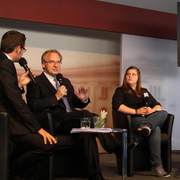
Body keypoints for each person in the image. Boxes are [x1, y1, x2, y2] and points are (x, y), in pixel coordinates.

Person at [26, 49, 137, 180]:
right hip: (55, 121)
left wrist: (83, 99)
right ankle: (115, 146)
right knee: (87, 115)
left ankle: (95, 174)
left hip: (72, 119)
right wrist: (55, 97)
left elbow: (74, 103)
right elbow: (33, 105)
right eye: (52, 62)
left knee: (88, 132)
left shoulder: (64, 81)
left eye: (58, 62)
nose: (56, 65)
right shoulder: (36, 82)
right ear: (43, 64)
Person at [0, 30, 57, 180]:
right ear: (18, 49)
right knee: (47, 145)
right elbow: (16, 102)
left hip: (8, 118)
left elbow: (6, 93)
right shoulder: (6, 64)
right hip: (7, 122)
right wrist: (38, 128)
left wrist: (19, 85)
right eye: (23, 49)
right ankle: (10, 171)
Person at [112, 66, 170, 178]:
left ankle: (147, 126)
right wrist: (136, 111)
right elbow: (117, 106)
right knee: (156, 129)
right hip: (134, 118)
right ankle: (157, 166)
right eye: (128, 74)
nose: (130, 76)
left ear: (138, 77)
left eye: (133, 74)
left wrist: (151, 110)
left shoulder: (144, 91)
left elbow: (158, 105)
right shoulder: (120, 91)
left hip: (147, 117)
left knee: (163, 113)